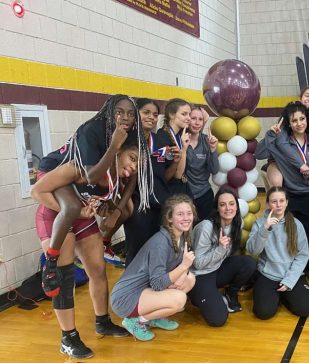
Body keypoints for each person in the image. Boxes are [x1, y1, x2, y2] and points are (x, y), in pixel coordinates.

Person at [31, 134, 141, 359]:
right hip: (54, 217)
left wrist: (102, 209)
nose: (133, 166)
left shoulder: (116, 178)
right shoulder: (80, 167)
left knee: (98, 270)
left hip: (82, 219)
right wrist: (70, 212)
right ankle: (68, 338)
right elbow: (37, 191)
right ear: (116, 152)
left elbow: (103, 201)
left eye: (138, 164)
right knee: (64, 277)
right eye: (132, 158)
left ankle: (103, 322)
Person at [38, 94, 152, 297]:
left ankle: (105, 244)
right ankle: (51, 262)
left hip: (79, 178)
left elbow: (134, 174)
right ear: (109, 113)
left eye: (130, 114)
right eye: (119, 112)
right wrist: (115, 145)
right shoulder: (91, 130)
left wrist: (115, 210)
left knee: (124, 209)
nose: (125, 117)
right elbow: (91, 177)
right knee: (72, 208)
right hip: (56, 170)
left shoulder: (133, 135)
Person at [110, 194, 197, 341]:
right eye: (180, 214)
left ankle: (155, 316)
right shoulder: (160, 243)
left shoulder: (181, 237)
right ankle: (136, 321)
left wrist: (183, 271)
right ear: (170, 218)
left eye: (189, 213)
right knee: (179, 300)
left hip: (145, 290)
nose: (186, 218)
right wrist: (183, 266)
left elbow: (170, 275)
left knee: (190, 279)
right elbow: (157, 284)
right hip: (125, 298)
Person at [255, 101, 309, 281]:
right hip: (290, 195)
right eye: (294, 120)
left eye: (302, 119)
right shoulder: (280, 140)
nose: (299, 123)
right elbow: (259, 154)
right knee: (288, 231)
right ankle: (290, 264)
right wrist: (270, 134)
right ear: (288, 122)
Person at [123, 98, 183, 265]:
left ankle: (155, 285)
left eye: (155, 114)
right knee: (136, 252)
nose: (151, 117)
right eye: (146, 113)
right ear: (136, 114)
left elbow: (165, 176)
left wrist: (176, 161)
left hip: (161, 204)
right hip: (138, 207)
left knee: (160, 249)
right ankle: (132, 289)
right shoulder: (127, 141)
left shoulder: (162, 141)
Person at [188, 188, 257, 326]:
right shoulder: (206, 227)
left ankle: (230, 293)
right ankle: (200, 295)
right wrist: (219, 249)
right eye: (222, 204)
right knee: (218, 319)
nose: (228, 208)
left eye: (231, 204)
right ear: (217, 208)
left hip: (217, 268)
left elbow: (230, 254)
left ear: (237, 207)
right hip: (200, 275)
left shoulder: (237, 223)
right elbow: (198, 264)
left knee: (249, 263)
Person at [246, 187, 309, 319]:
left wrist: (289, 281)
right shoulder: (260, 224)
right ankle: (273, 296)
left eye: (282, 200)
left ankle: (284, 295)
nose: (278, 205)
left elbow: (302, 256)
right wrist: (265, 229)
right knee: (263, 313)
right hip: (268, 275)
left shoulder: (296, 224)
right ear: (267, 204)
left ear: (287, 202)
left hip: (291, 275)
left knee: (306, 309)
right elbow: (253, 251)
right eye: (274, 201)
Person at [266, 86, 309, 202]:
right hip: (283, 160)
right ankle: (276, 214)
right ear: (300, 97)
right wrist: (300, 163)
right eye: (307, 96)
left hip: (308, 159)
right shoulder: (289, 114)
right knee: (276, 180)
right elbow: (283, 145)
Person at [186, 106, 219, 222]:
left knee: (205, 230)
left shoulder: (207, 141)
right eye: (193, 118)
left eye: (200, 119)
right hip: (185, 195)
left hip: (204, 194)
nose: (197, 122)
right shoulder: (181, 141)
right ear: (187, 119)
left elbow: (214, 170)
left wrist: (213, 149)